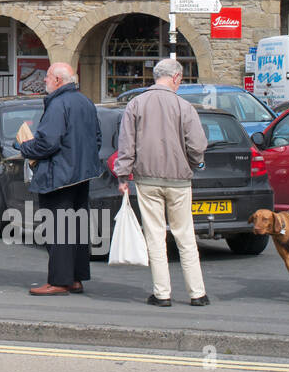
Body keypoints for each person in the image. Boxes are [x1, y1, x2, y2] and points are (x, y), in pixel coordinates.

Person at [113, 58, 209, 307]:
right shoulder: (184, 106)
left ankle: (162, 293)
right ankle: (197, 293)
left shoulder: (136, 104)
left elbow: (126, 145)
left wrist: (123, 176)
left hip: (147, 179)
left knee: (155, 237)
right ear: (176, 77)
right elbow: (197, 145)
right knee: (185, 236)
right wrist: (194, 161)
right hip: (179, 180)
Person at [15, 63, 100, 296]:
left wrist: (24, 146)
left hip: (59, 175)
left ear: (58, 80)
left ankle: (59, 281)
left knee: (58, 230)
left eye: (48, 77)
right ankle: (75, 278)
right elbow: (97, 139)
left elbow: (47, 142)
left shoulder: (58, 104)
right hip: (81, 174)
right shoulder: (86, 102)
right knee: (76, 228)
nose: (44, 81)